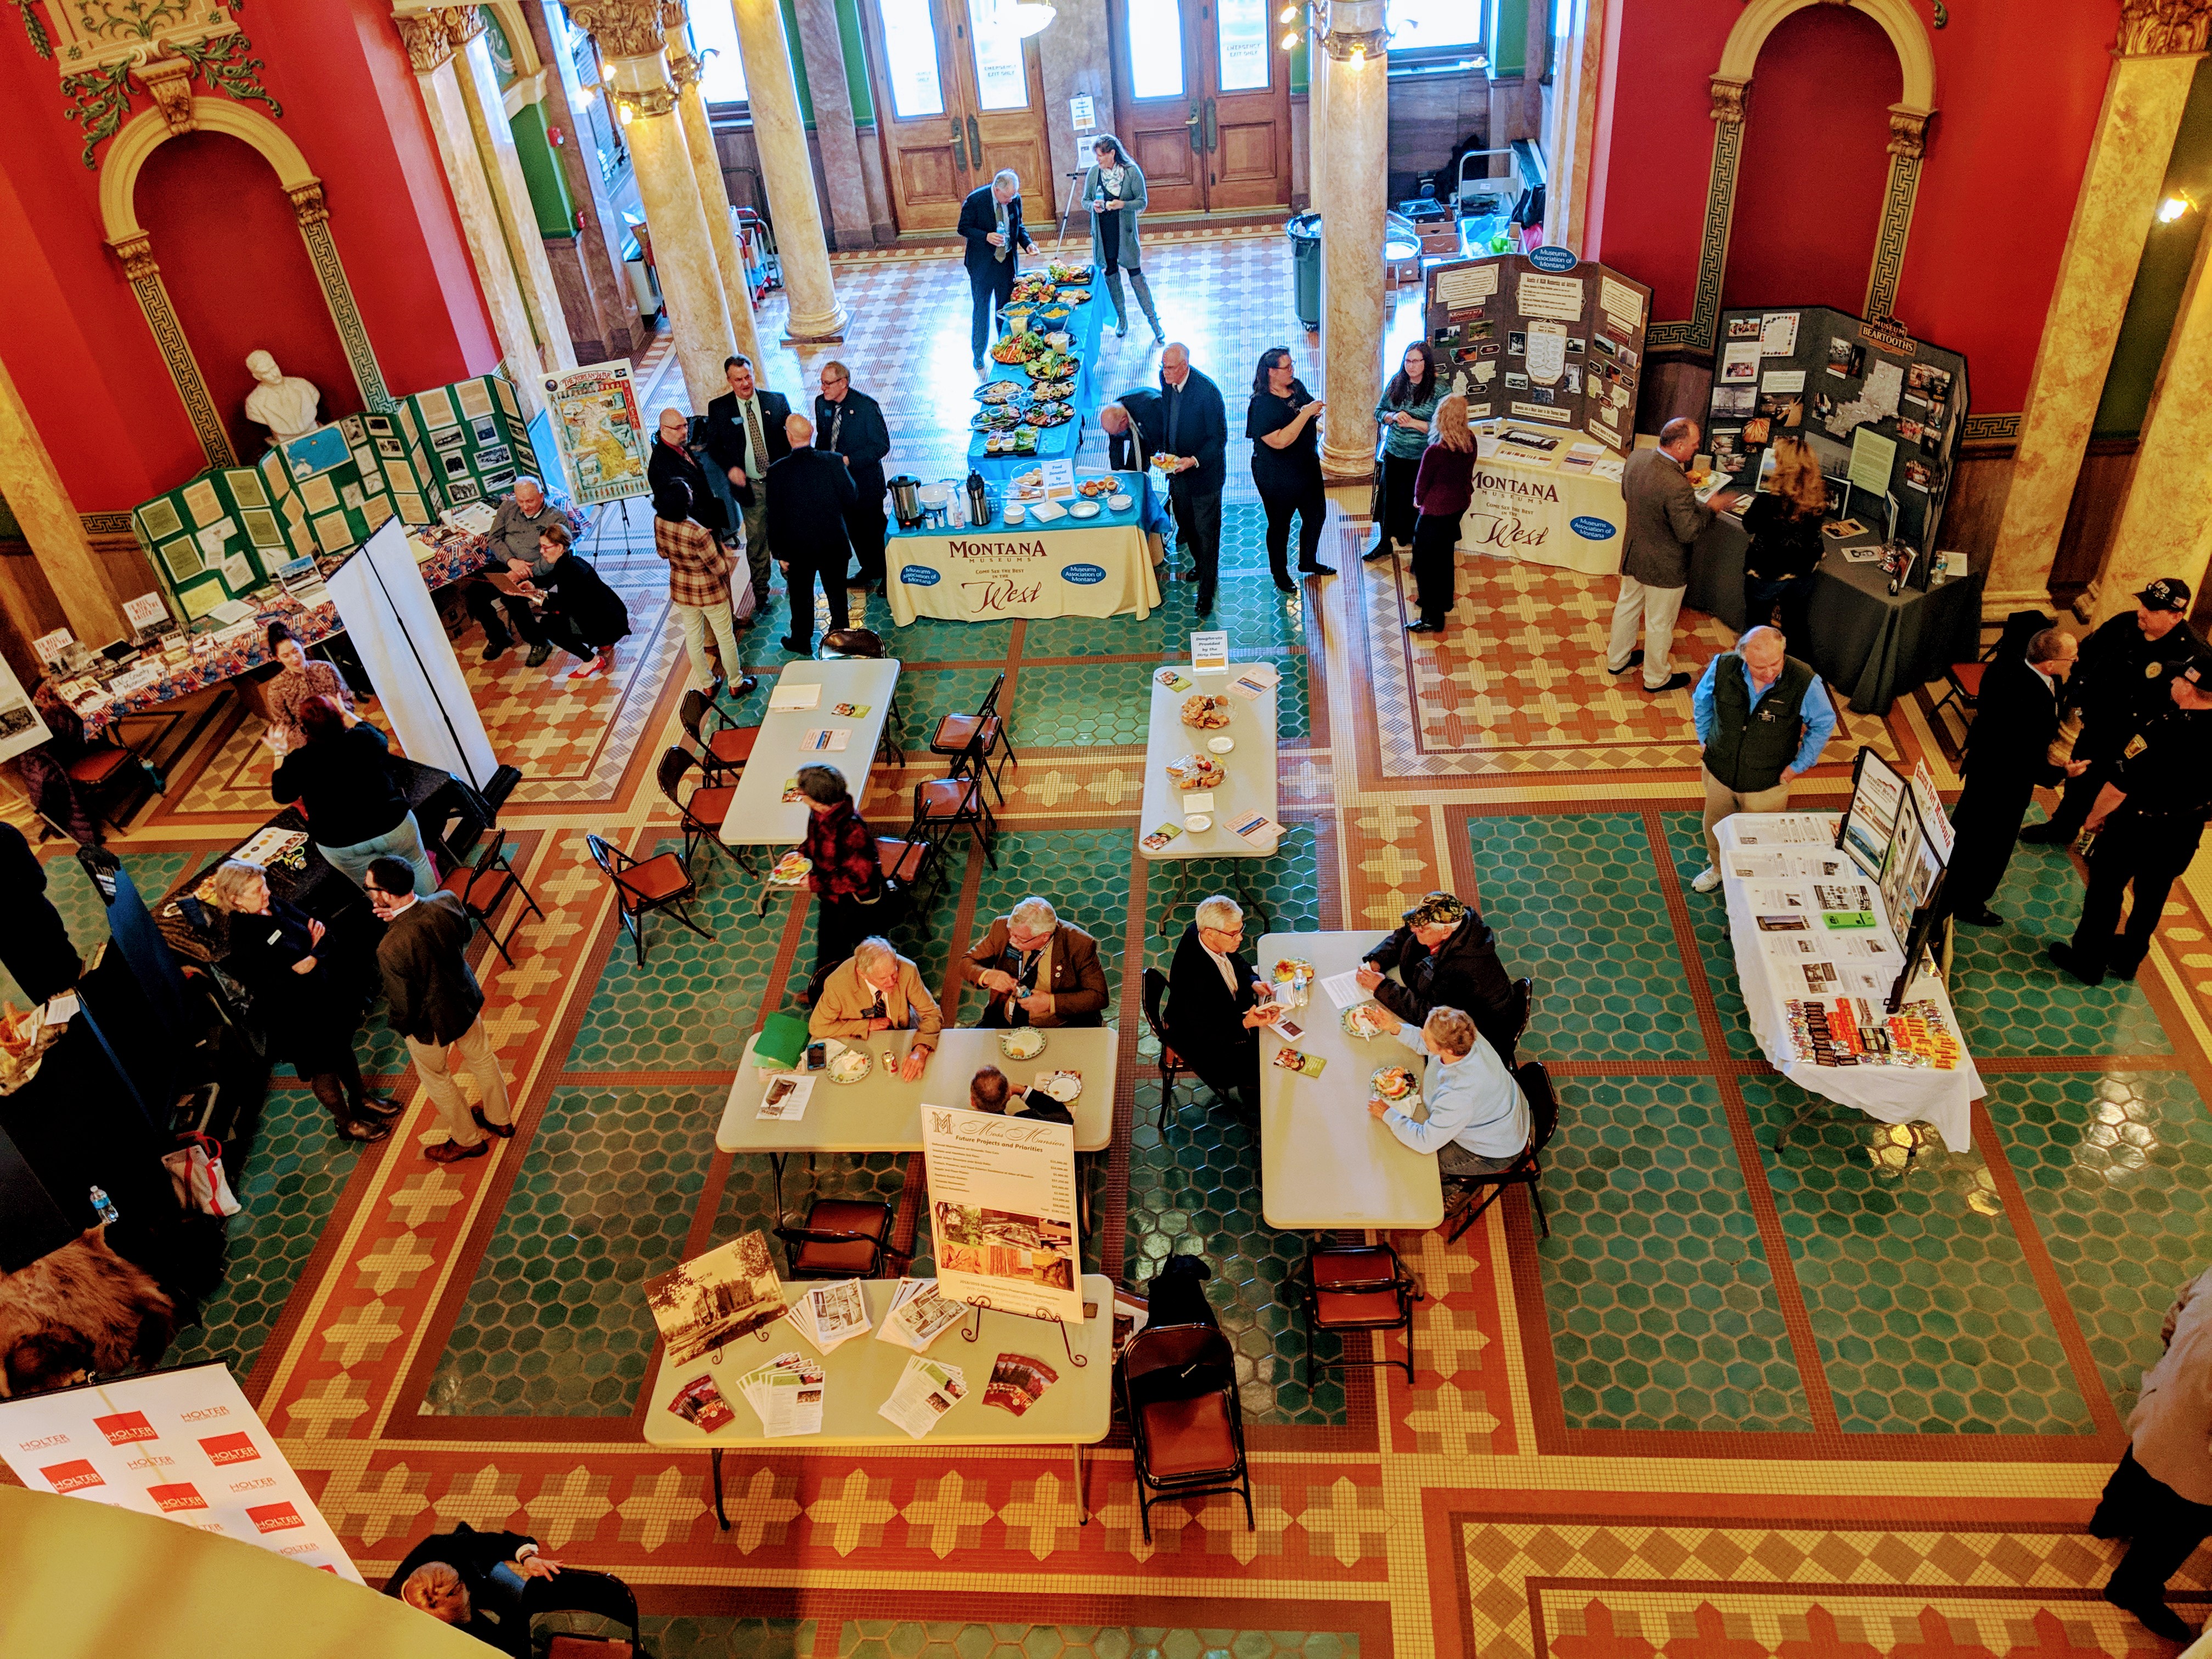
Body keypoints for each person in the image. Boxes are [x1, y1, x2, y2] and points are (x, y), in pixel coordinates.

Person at [2047, 656, 2212, 987]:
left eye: (2178, 679)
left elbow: (2118, 789)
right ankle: (2128, 960)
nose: (2172, 682)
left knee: (2105, 891)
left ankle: (2088, 961)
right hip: (2183, 831)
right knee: (2153, 896)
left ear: (2189, 688)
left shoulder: (2163, 728)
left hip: (2137, 828)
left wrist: (2093, 818)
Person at [207, 860, 397, 1143]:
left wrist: (312, 956)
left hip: (324, 997)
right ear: (236, 900)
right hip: (298, 1019)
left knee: (343, 1050)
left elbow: (323, 933)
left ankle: (361, 1099)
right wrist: (309, 951)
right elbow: (278, 986)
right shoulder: (244, 941)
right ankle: (347, 1123)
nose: (267, 892)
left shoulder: (274, 905)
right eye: (258, 890)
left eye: (264, 885)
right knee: (324, 1070)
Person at [2022, 578, 2203, 848]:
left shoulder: (2192, 653)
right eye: (2143, 604)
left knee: (2120, 794)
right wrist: (2078, 698)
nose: (2142, 612)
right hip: (2098, 724)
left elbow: (2194, 704)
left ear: (2175, 616)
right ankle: (2062, 828)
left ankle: (2102, 846)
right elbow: (2086, 656)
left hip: (2139, 740)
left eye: (2152, 610)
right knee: (2080, 780)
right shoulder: (2125, 624)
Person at [2090, 1262, 2212, 1642]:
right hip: (2200, 1462)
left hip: (2161, 1404)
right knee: (2176, 1531)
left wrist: (2174, 1368)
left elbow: (2174, 1315)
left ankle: (2108, 1520)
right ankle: (2131, 1589)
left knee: (2136, 1469)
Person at [365, 855, 514, 1164]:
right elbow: (464, 935)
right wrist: (401, 917)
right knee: (483, 1058)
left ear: (386, 895)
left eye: (369, 888)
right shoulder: (446, 900)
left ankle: (467, 1140)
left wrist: (402, 1028)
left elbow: (403, 1004)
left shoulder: (389, 947)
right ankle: (500, 1119)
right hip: (464, 1000)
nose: (368, 893)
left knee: (437, 1078)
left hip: (429, 1024)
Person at [1943, 628, 2086, 927]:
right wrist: (2062, 773)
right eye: (2071, 658)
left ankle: (1944, 883)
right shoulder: (2030, 703)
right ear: (2050, 664)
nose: (2075, 661)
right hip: (2004, 784)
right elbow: (2022, 757)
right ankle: (1968, 903)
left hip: (1983, 766)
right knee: (1992, 846)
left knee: (1966, 831)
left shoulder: (2006, 665)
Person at [1688, 624, 1836, 891]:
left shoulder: (1804, 680)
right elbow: (1701, 700)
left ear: (1784, 649)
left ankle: (1748, 888)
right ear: (1743, 656)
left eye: (1775, 664)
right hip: (1720, 769)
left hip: (1769, 779)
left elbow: (1824, 722)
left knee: (1759, 839)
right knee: (1716, 825)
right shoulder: (1723, 667)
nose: (1769, 673)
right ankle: (1718, 868)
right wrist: (1704, 737)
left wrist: (1799, 766)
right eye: (1760, 667)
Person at [271, 696, 437, 894]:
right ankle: (438, 907)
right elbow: (379, 738)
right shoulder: (363, 739)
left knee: (376, 887)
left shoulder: (298, 762)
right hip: (390, 823)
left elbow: (282, 795)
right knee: (417, 864)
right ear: (339, 719)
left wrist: (279, 752)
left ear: (305, 730)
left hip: (340, 841)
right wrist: (346, 713)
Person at [1607, 417, 1714, 695]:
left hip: (1635, 553)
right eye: (1694, 444)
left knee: (1627, 606)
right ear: (1678, 446)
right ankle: (1656, 678)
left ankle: (1617, 660)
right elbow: (1688, 532)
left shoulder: (1637, 458)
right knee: (1659, 623)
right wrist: (1710, 508)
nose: (1697, 448)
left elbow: (1627, 494)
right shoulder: (1676, 486)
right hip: (1665, 566)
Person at [1365, 1005, 1532, 1178]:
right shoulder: (1465, 1036)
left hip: (1494, 1152)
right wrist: (1394, 1027)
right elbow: (1427, 1044)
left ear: (1447, 1051)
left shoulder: (1459, 1094)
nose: (1422, 1034)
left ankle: (1453, 1187)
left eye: (1426, 1035)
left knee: (1416, 1162)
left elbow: (1424, 1142)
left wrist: (1387, 1113)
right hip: (1505, 1113)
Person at [1358, 890, 1519, 1054]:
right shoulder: (1448, 924)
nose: (1413, 929)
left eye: (1421, 929)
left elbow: (1432, 1015)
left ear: (1446, 932)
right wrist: (1378, 959)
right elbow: (1405, 934)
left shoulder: (1464, 972)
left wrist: (1382, 987)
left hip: (1473, 1037)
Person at [1164, 894, 1279, 1111]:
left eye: (1240, 930)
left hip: (1226, 1013)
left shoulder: (1201, 932)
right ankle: (1254, 1103)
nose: (1241, 938)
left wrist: (1252, 981)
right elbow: (1207, 1034)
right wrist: (1246, 1024)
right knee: (1268, 1062)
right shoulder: (1194, 982)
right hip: (1211, 1049)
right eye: (1234, 934)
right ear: (1210, 933)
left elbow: (1234, 959)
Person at [703, 354, 792, 615]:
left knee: (787, 534)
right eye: (739, 379)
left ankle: (794, 581)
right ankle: (761, 593)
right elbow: (714, 447)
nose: (745, 383)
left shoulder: (776, 402)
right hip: (751, 488)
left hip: (780, 485)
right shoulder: (719, 409)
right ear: (729, 381)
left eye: (748, 377)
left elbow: (791, 439)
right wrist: (731, 468)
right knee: (757, 541)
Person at [766, 414, 856, 656]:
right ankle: (840, 638)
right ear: (812, 433)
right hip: (833, 542)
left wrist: (779, 553)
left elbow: (774, 517)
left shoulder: (777, 472)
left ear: (789, 436)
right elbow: (851, 497)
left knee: (800, 597)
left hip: (797, 548)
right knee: (837, 594)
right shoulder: (834, 462)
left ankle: (802, 640)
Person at [1245, 346, 1333, 591]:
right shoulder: (1261, 404)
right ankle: (1280, 573)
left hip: (1306, 466)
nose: (1292, 370)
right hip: (1276, 475)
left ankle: (1308, 561)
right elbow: (1280, 440)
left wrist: (1314, 413)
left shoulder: (1296, 387)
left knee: (1316, 516)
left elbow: (1308, 412)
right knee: (1280, 525)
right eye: (1287, 367)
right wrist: (1306, 414)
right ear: (1271, 372)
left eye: (1292, 365)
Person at [794, 764, 885, 996]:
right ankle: (825, 991)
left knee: (858, 948)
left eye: (803, 792)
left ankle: (866, 993)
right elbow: (815, 841)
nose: (799, 795)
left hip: (853, 903)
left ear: (819, 800)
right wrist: (801, 854)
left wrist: (815, 883)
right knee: (828, 947)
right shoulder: (818, 813)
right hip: (832, 896)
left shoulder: (852, 830)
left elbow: (859, 877)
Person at [388, 1523, 561, 1644]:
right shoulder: (404, 1626)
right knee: (502, 1642)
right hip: (452, 1630)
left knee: (521, 1594)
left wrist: (526, 1558)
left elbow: (485, 1543)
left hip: (477, 1572)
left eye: (465, 1593)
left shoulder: (437, 1547)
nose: (469, 1595)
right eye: (462, 1610)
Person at [652, 476, 743, 695]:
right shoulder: (698, 533)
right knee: (725, 637)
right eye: (688, 492)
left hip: (682, 590)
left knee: (694, 638)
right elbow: (719, 568)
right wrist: (722, 552)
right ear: (684, 503)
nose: (692, 493)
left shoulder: (659, 521)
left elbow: (662, 553)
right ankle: (736, 683)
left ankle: (708, 684)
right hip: (710, 592)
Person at [960, 896, 1109, 1028]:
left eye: (1020, 938)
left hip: (1061, 1025)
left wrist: (1050, 1002)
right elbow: (967, 962)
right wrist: (988, 976)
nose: (1012, 941)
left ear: (1045, 936)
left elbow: (1099, 996)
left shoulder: (1079, 944)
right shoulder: (1001, 928)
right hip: (1004, 1020)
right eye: (1011, 932)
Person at [808, 936, 940, 1080]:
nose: (891, 982)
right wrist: (866, 1025)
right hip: (861, 1046)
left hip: (902, 1036)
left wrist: (921, 1049)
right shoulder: (837, 985)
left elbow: (932, 1013)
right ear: (862, 974)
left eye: (894, 973)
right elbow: (817, 1027)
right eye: (883, 978)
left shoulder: (908, 970)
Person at [1159, 343, 1228, 614]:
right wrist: (1166, 452)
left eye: (1169, 367)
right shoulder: (1167, 380)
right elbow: (1169, 417)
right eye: (1163, 366)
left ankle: (1206, 591)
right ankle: (1201, 565)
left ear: (1184, 366)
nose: (1164, 372)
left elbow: (1218, 439)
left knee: (1207, 533)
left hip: (1204, 477)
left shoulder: (1207, 394)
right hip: (1178, 475)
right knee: (1187, 525)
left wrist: (1193, 460)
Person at [462, 478, 564, 664]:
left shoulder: (556, 518)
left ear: (541, 497)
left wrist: (521, 573)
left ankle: (539, 642)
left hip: (540, 569)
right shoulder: (507, 508)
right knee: (474, 594)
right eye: (521, 501)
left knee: (513, 597)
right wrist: (511, 562)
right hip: (508, 563)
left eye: (530, 501)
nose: (525, 506)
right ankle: (498, 636)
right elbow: (494, 539)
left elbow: (554, 556)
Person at [1361, 342, 1444, 562]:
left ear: (1426, 363)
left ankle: (1417, 545)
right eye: (1408, 361)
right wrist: (1394, 416)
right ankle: (1384, 542)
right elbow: (1379, 412)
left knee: (1417, 502)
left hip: (1423, 457)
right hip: (1395, 452)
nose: (1411, 366)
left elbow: (1444, 426)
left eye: (1416, 361)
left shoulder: (1440, 389)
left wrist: (1414, 423)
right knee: (1390, 501)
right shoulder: (1397, 382)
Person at [815, 360, 892, 591]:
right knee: (854, 530)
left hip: (866, 484)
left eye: (828, 383)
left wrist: (849, 460)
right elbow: (824, 437)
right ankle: (869, 568)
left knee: (874, 530)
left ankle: (889, 574)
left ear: (843, 383)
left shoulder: (866, 407)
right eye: (822, 383)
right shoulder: (822, 403)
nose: (823, 388)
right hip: (840, 484)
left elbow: (881, 446)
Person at [1739, 434, 1827, 637]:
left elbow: (1748, 525)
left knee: (1757, 629)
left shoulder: (1767, 501)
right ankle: (1793, 658)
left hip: (1766, 574)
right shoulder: (1818, 500)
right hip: (1802, 575)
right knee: (1795, 627)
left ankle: (1759, 658)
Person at [1081, 135, 1164, 344]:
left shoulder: (1132, 172)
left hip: (1125, 236)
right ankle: (1122, 320)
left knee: (1136, 276)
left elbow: (1142, 202)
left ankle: (1154, 322)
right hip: (1104, 235)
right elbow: (1085, 201)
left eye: (1101, 156)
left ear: (1112, 153)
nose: (1097, 160)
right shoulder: (1094, 174)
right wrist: (1093, 206)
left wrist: (1123, 205)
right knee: (1111, 275)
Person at [1408, 393, 1477, 633]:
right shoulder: (1470, 440)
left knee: (1426, 565)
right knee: (1445, 555)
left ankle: (1431, 617)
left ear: (1440, 417)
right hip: (1459, 506)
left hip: (1435, 513)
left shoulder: (1435, 452)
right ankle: (1446, 600)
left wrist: (1418, 501)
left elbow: (1421, 484)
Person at [524, 522, 629, 681]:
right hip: (615, 620)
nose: (542, 552)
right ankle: (606, 642)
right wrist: (537, 592)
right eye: (541, 547)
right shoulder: (574, 561)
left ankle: (591, 660)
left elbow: (564, 606)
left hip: (606, 628)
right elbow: (571, 598)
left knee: (548, 624)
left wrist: (534, 597)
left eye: (546, 547)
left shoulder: (565, 570)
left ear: (560, 547)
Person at [959, 168, 1035, 369]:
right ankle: (978, 354)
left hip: (1006, 264)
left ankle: (1006, 350)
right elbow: (963, 228)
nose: (1011, 200)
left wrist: (1027, 243)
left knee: (1005, 310)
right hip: (982, 266)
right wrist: (986, 236)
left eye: (1014, 196)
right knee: (981, 310)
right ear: (997, 189)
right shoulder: (976, 200)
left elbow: (1019, 226)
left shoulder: (1014, 199)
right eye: (1008, 197)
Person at [0, 822, 79, 1003]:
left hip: (17, 940)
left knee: (48, 995)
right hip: (36, 924)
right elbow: (38, 880)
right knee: (69, 979)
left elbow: (37, 881)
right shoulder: (5, 833)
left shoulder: (5, 834)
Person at [258, 620, 352, 754]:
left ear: (302, 646)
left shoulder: (326, 668)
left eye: (296, 651)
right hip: (309, 745)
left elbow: (347, 700)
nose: (294, 659)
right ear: (277, 658)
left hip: (341, 731)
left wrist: (341, 716)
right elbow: (285, 727)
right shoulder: (276, 688)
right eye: (286, 656)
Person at [646, 406, 729, 541]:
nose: (685, 431)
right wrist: (698, 529)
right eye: (678, 428)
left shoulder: (680, 445)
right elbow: (673, 507)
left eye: (685, 425)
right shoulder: (661, 465)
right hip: (694, 532)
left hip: (707, 521)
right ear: (664, 430)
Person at [968, 1063, 1074, 1125]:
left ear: (972, 1102)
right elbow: (1065, 1118)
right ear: (1009, 1095)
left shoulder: (963, 1126)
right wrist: (1021, 1090)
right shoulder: (1025, 1121)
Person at [1099, 390, 1164, 472]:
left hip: (1155, 425)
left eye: (1117, 432)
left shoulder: (1152, 408)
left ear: (1124, 421)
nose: (1114, 435)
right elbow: (1116, 448)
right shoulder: (1113, 416)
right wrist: (1118, 474)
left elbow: (1167, 432)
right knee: (1132, 469)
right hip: (1138, 426)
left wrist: (1165, 452)